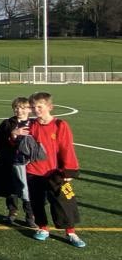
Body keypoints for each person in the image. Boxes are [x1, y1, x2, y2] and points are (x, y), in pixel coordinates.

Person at [26, 92, 84, 247]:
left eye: (40, 106)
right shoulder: (30, 125)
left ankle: (70, 232)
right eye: (33, 107)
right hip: (33, 171)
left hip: (55, 172)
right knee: (37, 202)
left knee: (64, 202)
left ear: (50, 107)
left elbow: (67, 148)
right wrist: (15, 136)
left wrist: (69, 170)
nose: (36, 109)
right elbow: (21, 146)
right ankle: (43, 228)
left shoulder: (60, 125)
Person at [0, 97, 40, 227]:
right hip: (11, 161)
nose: (19, 110)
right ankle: (12, 211)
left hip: (30, 164)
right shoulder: (7, 123)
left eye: (22, 107)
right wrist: (12, 135)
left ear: (29, 110)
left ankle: (30, 214)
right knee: (11, 187)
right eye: (16, 107)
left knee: (28, 189)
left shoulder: (34, 124)